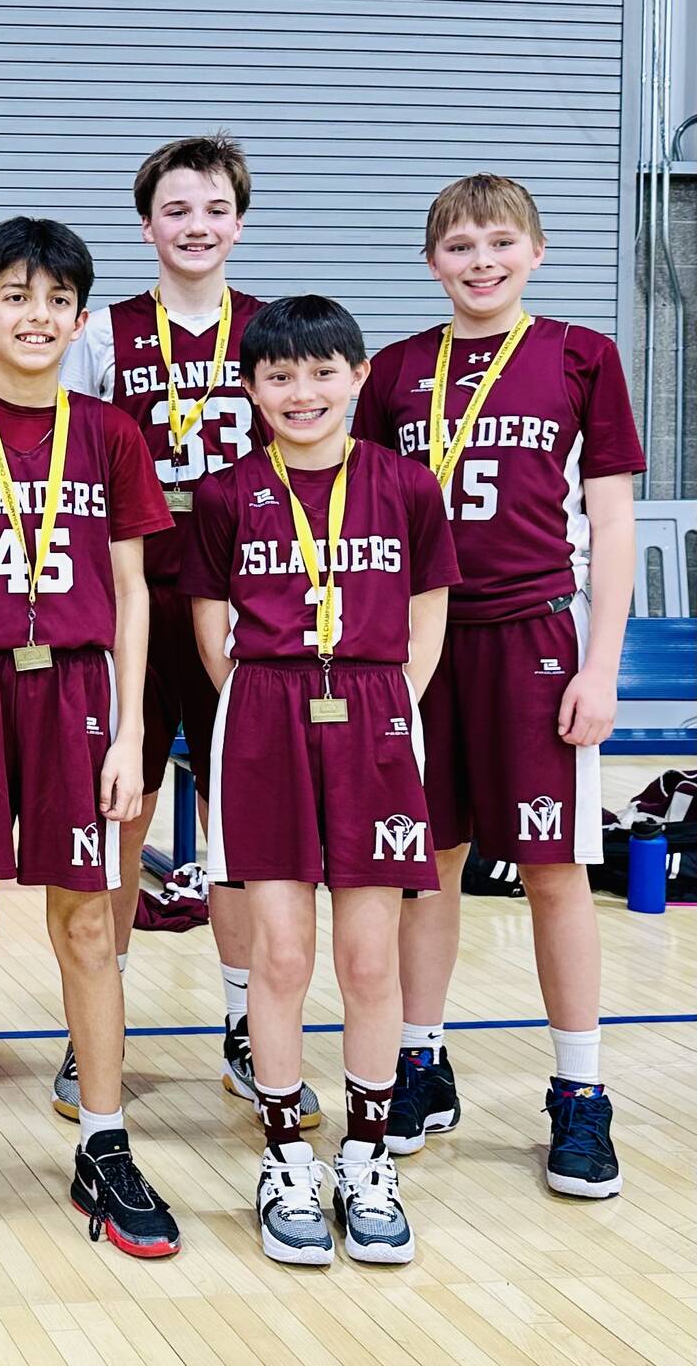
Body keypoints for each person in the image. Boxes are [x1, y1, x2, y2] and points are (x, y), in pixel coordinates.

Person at [0, 217, 180, 1257]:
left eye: (57, 299)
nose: (36, 315)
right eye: (15, 297)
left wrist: (131, 729)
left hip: (76, 690)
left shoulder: (109, 432)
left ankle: (103, 1140)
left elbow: (134, 592)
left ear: (80, 318)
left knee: (87, 926)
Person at [354, 174, 643, 1198]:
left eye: (499, 242)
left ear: (536, 251)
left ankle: (579, 1091)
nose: (480, 262)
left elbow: (611, 522)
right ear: (430, 261)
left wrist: (600, 666)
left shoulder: (580, 356)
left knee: (554, 868)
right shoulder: (393, 371)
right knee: (422, 864)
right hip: (418, 642)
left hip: (534, 637)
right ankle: (419, 1062)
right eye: (459, 246)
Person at [185, 293, 458, 1264]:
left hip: (376, 711)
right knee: (282, 953)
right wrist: (257, 700)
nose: (301, 391)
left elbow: (428, 606)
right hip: (264, 711)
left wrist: (392, 700)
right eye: (279, 376)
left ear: (356, 376)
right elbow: (209, 621)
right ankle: (284, 1155)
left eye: (320, 372)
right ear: (252, 389)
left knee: (370, 957)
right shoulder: (225, 494)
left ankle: (368, 1155)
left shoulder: (405, 485)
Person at [57, 133, 321, 1125]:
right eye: (176, 210)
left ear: (238, 224)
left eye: (213, 210)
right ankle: (101, 1028)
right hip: (129, 599)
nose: (195, 226)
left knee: (236, 828)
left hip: (241, 605)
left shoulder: (271, 334)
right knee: (120, 812)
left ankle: (246, 1026)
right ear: (146, 226)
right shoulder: (102, 334)